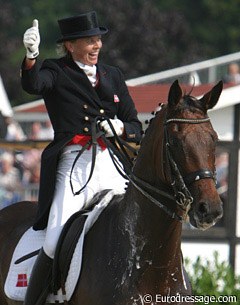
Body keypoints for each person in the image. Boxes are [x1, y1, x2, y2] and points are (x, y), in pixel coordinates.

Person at [21, 11, 142, 305]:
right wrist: (31, 56)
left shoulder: (112, 74)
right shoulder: (56, 70)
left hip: (110, 162)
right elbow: (33, 85)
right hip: (73, 165)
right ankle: (35, 300)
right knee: (53, 239)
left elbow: (135, 126)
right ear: (71, 46)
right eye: (90, 41)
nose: (97, 46)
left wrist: (120, 127)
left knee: (137, 222)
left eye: (98, 40)